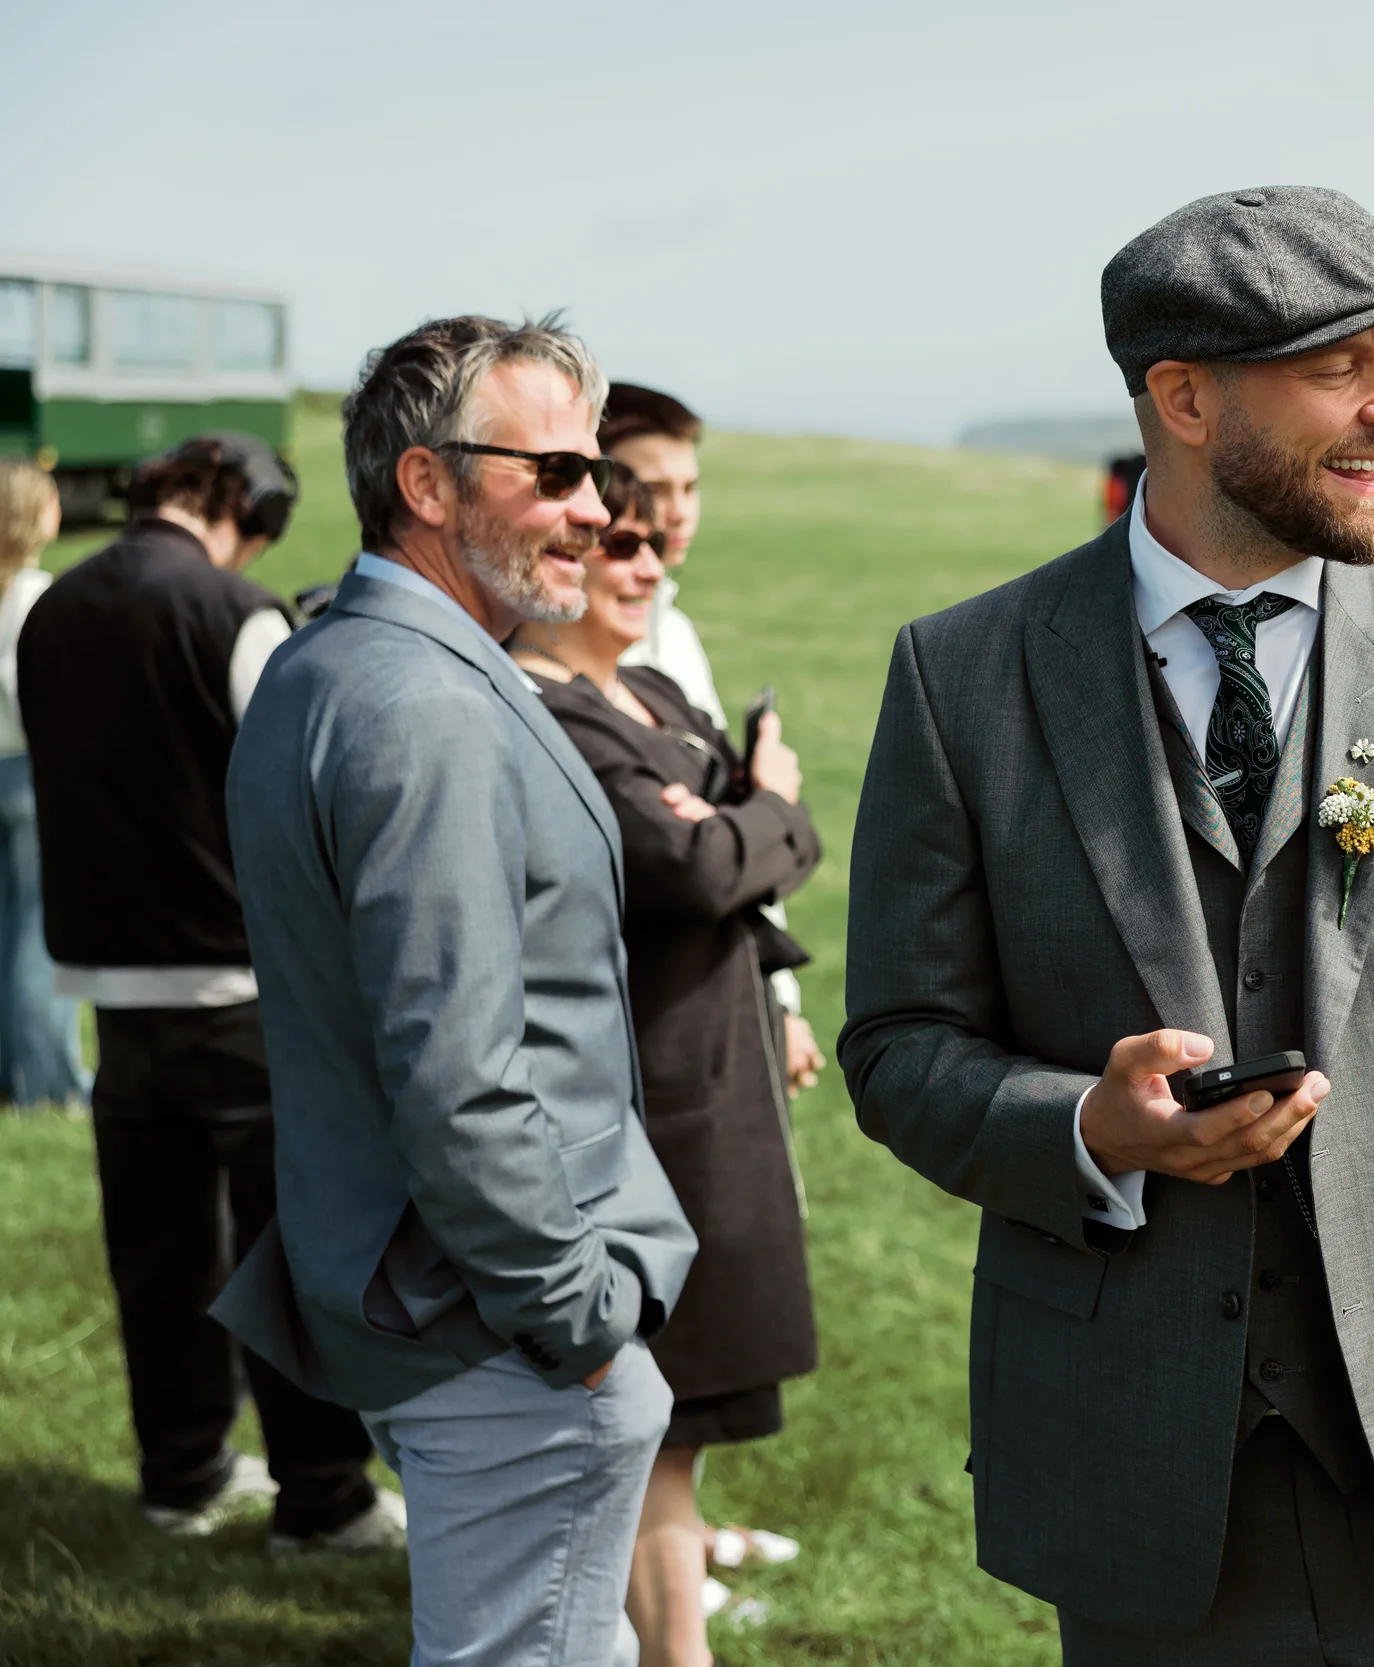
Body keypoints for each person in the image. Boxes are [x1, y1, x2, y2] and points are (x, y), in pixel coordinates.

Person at [839, 185, 1374, 1665]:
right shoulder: (961, 675)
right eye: (1341, 368)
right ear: (1184, 399)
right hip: (1143, 1479)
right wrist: (1090, 1128)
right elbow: (900, 1043)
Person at [214, 316, 697, 1666]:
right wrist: (577, 1321)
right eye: (556, 473)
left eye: (598, 473)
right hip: (496, 1331)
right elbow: (456, 1070)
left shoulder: (333, 658)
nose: (594, 509)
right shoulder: (419, 701)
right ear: (425, 482)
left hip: (445, 1306)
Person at [14, 433, 395, 1552]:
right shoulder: (236, 611)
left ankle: (180, 1474)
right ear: (244, 513)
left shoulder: (48, 608)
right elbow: (302, 785)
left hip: (105, 976)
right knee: (291, 1248)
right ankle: (322, 1495)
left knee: (159, 1249)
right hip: (239, 980)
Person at [508, 467, 820, 1665]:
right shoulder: (549, 710)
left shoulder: (646, 690)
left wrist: (738, 824)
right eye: (617, 543)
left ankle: (666, 1643)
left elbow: (752, 850)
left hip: (718, 1073)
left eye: (652, 544)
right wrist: (755, 810)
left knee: (676, 1419)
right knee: (646, 1401)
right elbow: (696, 869)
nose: (646, 565)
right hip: (643, 1094)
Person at [601, 385, 823, 1099]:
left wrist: (779, 996)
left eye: (691, 488)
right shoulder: (576, 644)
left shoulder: (675, 631)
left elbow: (744, 816)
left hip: (725, 981)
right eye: (654, 488)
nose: (678, 511)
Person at [0, 461, 86, 1107]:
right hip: (33, 770)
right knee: (42, 933)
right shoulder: (42, 597)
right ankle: (49, 1082)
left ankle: (11, 1072)